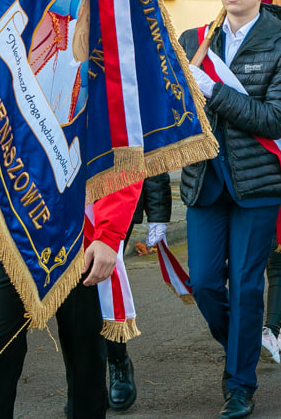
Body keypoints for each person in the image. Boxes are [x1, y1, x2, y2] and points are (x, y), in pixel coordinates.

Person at [181, 0, 281, 419]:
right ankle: (243, 342)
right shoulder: (194, 40)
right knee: (207, 283)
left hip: (256, 184)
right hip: (203, 182)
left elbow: (273, 120)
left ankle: (239, 384)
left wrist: (211, 89)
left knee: (248, 287)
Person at [0, 181, 142, 419]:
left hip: (75, 237)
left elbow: (120, 152)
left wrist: (109, 233)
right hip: (6, 234)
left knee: (85, 355)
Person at [105, 172, 172, 411]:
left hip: (117, 194)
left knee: (105, 284)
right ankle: (83, 376)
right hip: (65, 196)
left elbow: (148, 148)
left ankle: (118, 362)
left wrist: (158, 213)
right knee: (77, 292)